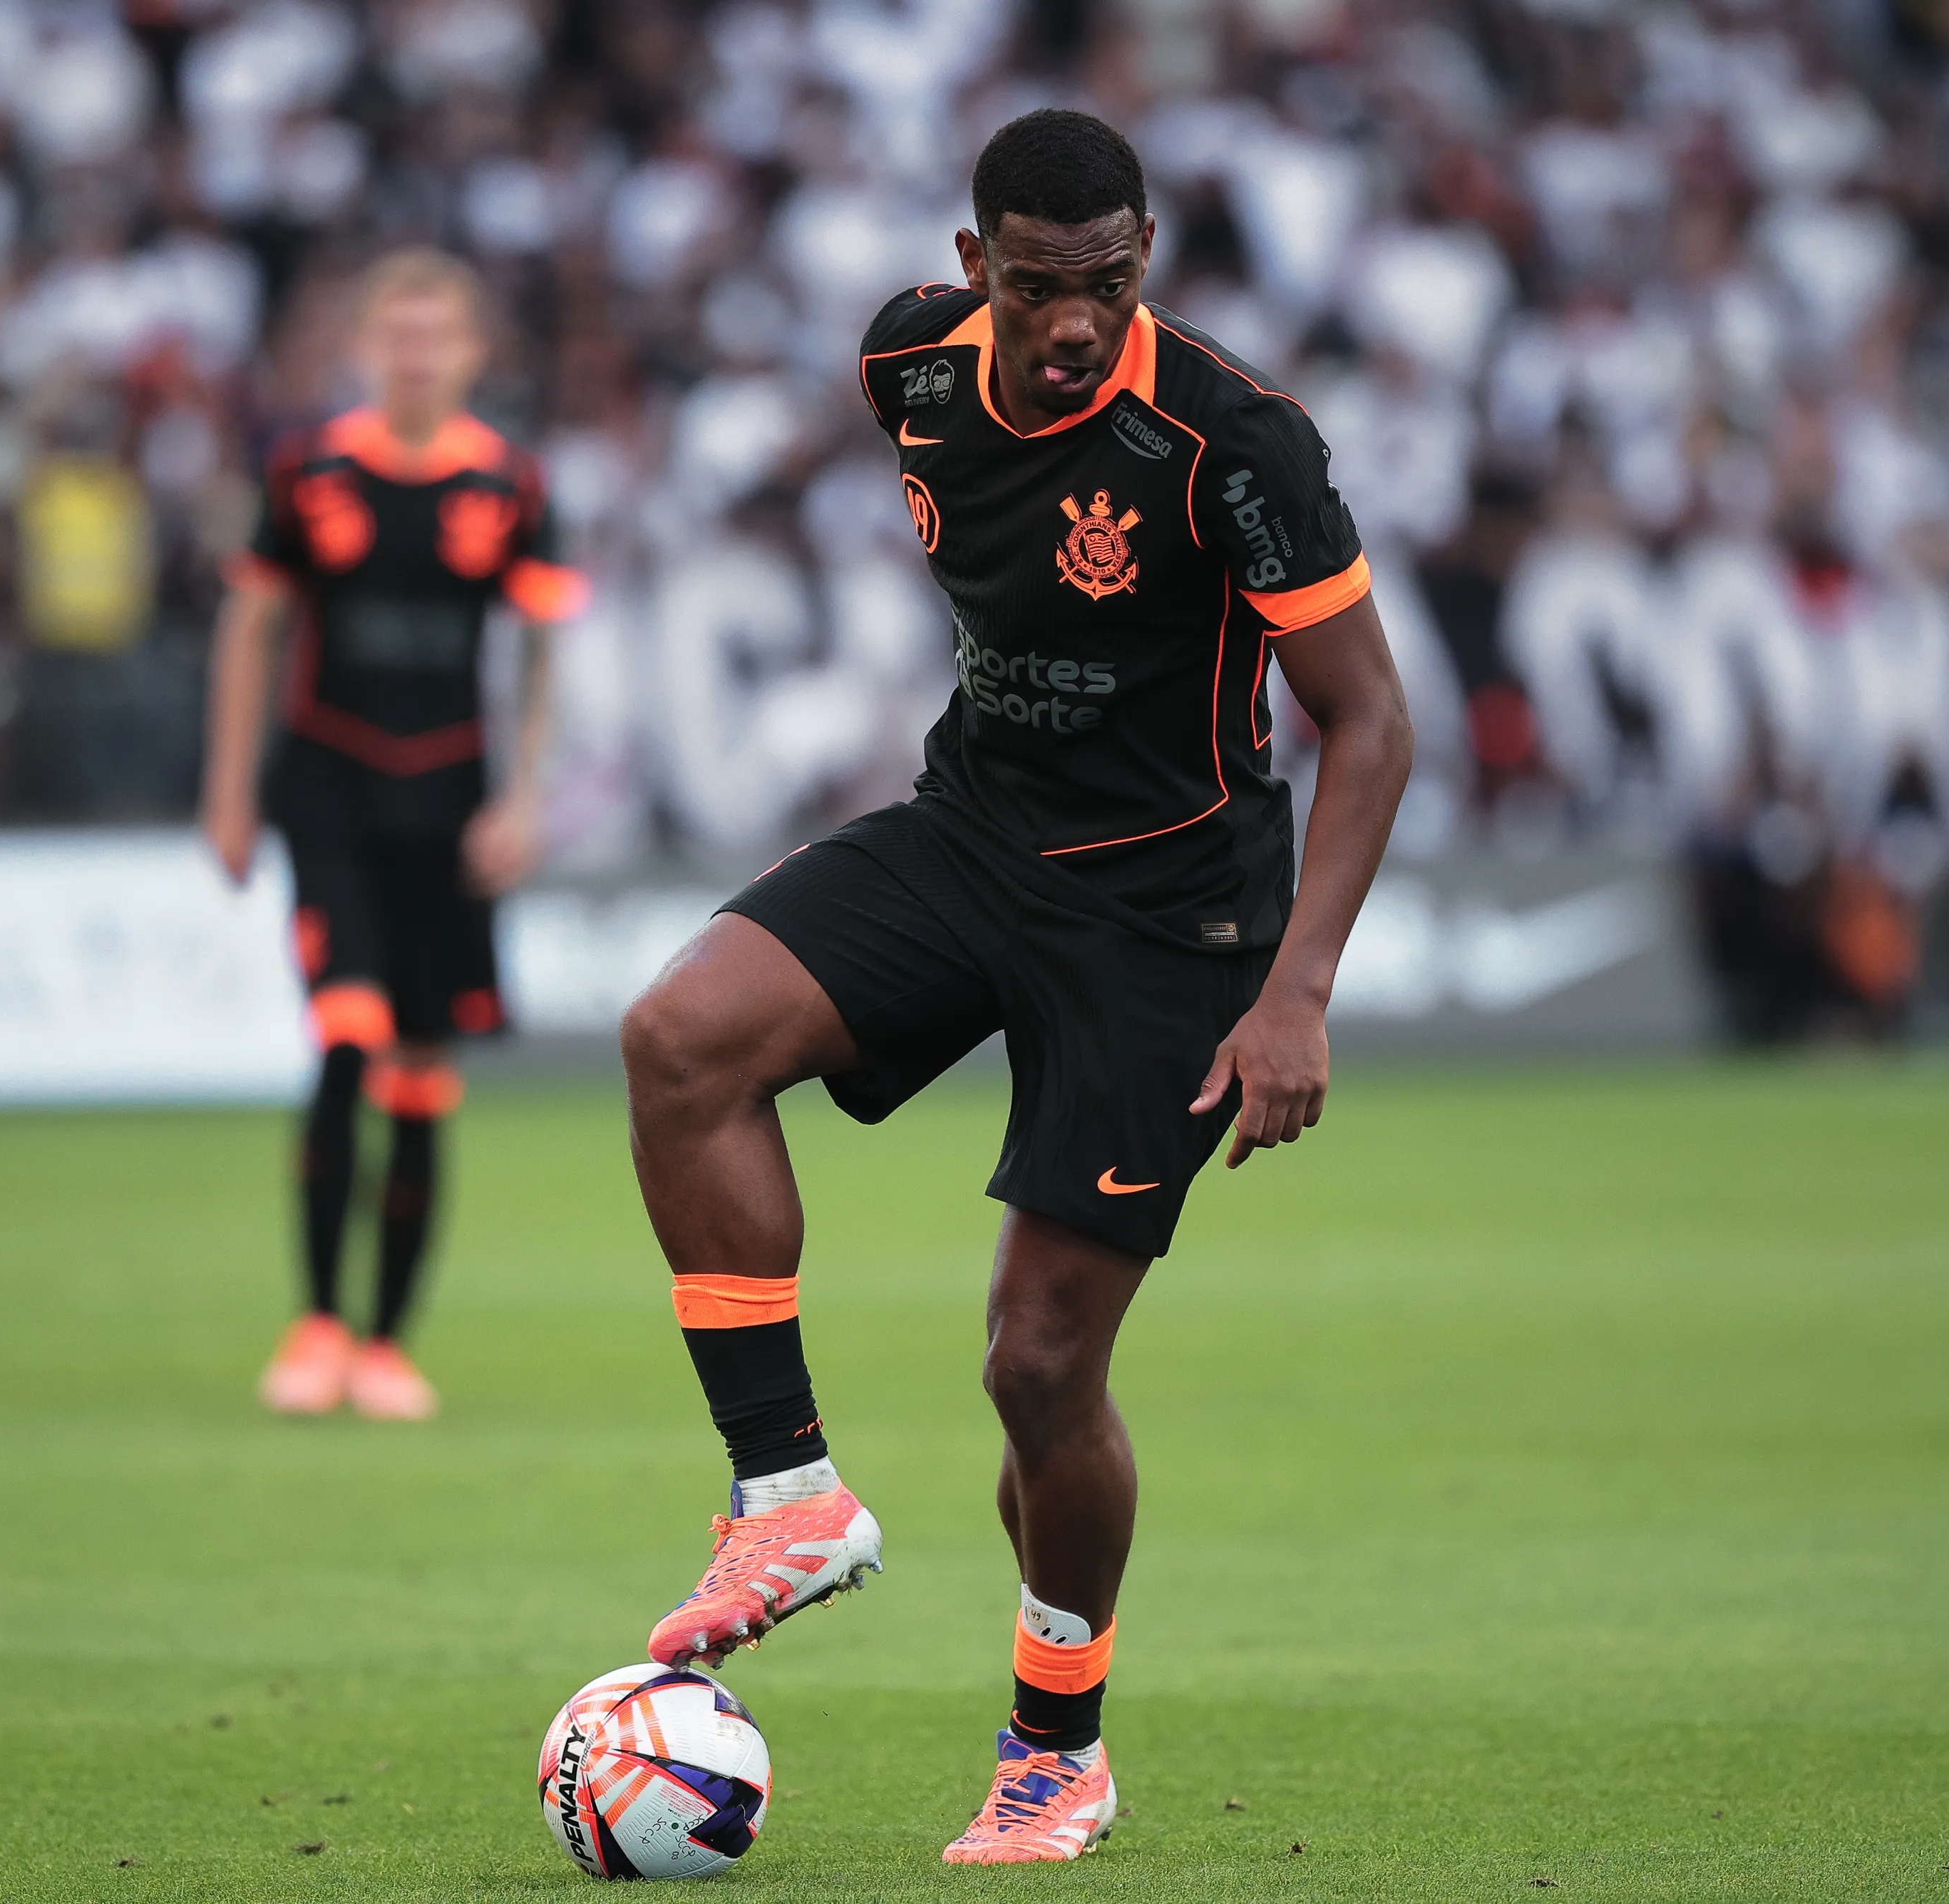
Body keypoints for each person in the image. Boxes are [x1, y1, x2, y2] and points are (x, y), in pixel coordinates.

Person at [617, 110, 1412, 1863]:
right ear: (974, 270)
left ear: (1146, 260)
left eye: (1109, 282)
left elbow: (1369, 721)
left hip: (1170, 925)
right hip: (972, 836)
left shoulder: (1233, 438)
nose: (1075, 321)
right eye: (1041, 286)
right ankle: (788, 1499)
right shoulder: (904, 360)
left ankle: (1056, 1747)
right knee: (677, 1039)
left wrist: (1295, 994)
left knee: (1038, 1364)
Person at [201, 248, 583, 1421]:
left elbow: (537, 650)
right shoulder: (309, 470)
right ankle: (315, 1323)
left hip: (449, 802)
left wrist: (523, 796)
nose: (416, 356)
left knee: (422, 1071)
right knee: (347, 1032)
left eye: (438, 336)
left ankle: (385, 1343)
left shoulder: (510, 484)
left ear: (471, 353)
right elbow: (253, 627)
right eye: (397, 335)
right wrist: (228, 789)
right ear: (366, 348)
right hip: (330, 791)